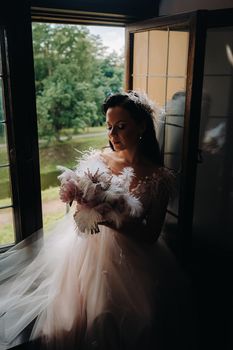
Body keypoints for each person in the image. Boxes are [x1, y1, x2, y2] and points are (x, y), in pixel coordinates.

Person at [0, 91, 192, 350]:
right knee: (84, 312)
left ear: (142, 126)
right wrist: (81, 203)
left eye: (121, 127)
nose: (112, 135)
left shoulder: (159, 177)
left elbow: (150, 235)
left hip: (136, 259)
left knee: (137, 318)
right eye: (109, 127)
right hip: (87, 252)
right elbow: (79, 209)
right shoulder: (99, 160)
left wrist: (107, 218)